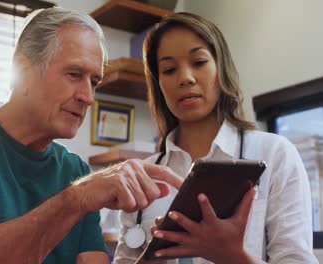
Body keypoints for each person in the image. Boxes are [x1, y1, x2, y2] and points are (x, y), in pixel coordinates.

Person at [0, 7, 184, 264]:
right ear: (24, 72)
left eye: (94, 82)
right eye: (74, 74)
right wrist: (75, 199)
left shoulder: (74, 169)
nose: (87, 96)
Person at [113, 12, 318, 264]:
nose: (185, 78)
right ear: (158, 84)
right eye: (169, 69)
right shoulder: (145, 176)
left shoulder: (275, 153)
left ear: (221, 68)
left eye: (198, 62)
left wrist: (233, 257)